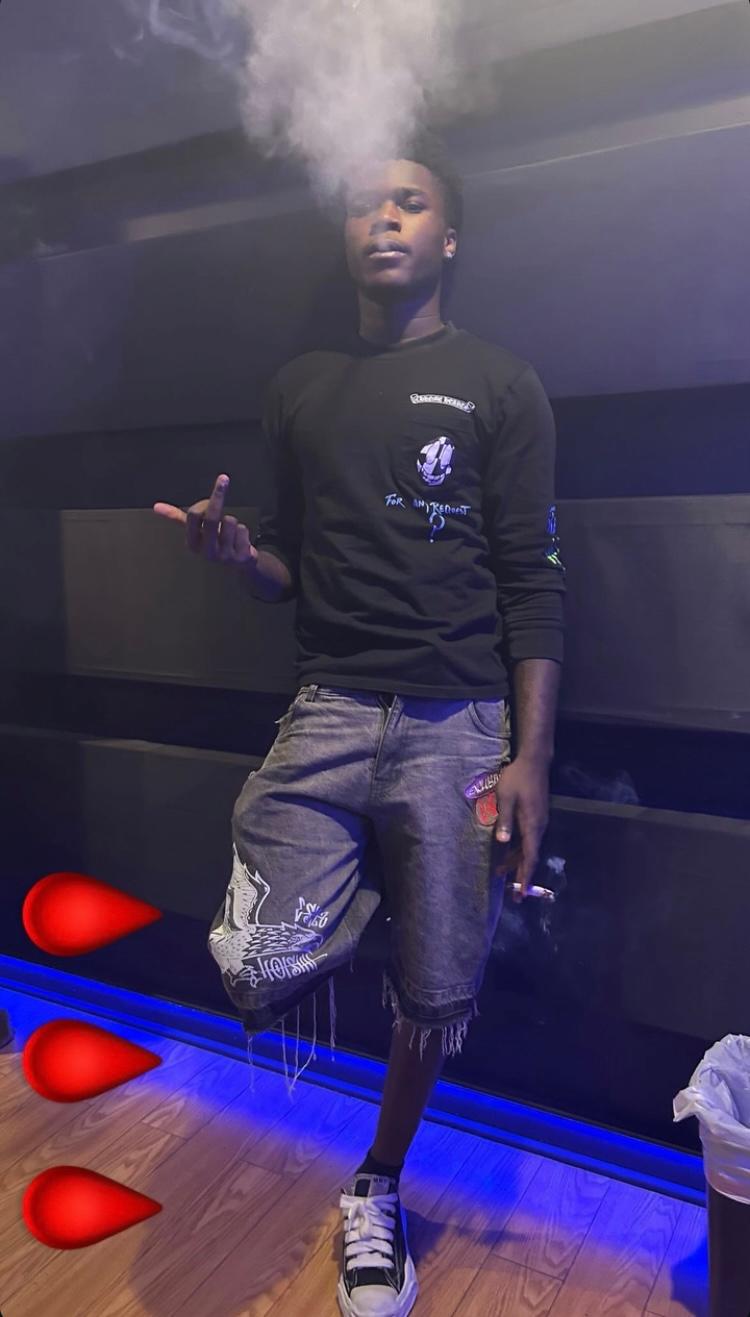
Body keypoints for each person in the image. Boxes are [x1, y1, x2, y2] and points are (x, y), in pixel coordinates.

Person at [154, 129, 566, 1317]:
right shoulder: (300, 385)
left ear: (449, 238)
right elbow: (286, 562)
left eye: (409, 201)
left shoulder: (501, 384)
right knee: (253, 964)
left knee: (435, 997)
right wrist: (243, 559)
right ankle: (386, 886)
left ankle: (377, 1182)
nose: (383, 218)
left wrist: (531, 759)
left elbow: (535, 582)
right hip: (331, 708)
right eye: (362, 204)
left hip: (460, 725)